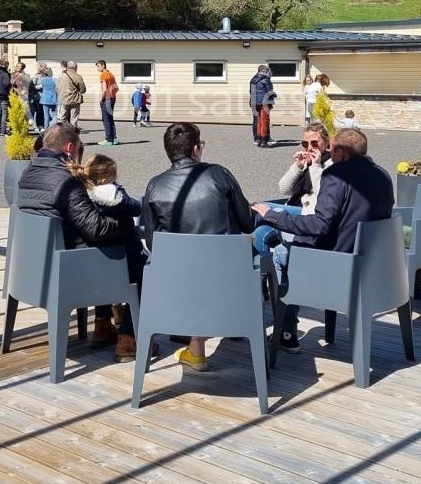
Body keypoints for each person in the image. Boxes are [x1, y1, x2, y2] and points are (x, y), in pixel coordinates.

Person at [253, 128, 394, 353]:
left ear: (341, 153)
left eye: (332, 149)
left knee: (280, 253)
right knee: (273, 235)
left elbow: (319, 225)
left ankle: (284, 330)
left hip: (337, 270)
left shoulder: (336, 176)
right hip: (372, 268)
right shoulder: (383, 176)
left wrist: (273, 216)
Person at [142, 122, 255, 371]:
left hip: (180, 287)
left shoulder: (154, 185)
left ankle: (196, 350)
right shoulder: (219, 174)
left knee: (190, 267)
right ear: (196, 149)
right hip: (229, 282)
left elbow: (152, 243)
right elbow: (248, 223)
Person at [17, 123, 136, 351]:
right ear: (70, 148)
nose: (81, 154)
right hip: (67, 269)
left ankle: (102, 325)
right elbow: (96, 229)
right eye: (80, 148)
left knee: (110, 244)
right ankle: (128, 338)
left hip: (31, 268)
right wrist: (127, 223)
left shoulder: (28, 172)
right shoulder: (65, 181)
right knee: (136, 257)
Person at [70, 154, 146, 361]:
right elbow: (136, 207)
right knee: (143, 276)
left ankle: (102, 325)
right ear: (107, 178)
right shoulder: (115, 194)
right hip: (125, 257)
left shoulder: (83, 194)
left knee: (107, 271)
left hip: (96, 263)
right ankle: (127, 339)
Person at [252, 124, 332, 258]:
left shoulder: (331, 164)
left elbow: (323, 194)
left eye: (314, 143)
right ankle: (266, 274)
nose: (310, 148)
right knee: (259, 233)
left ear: (326, 141)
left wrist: (316, 166)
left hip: (309, 215)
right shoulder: (307, 162)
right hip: (293, 208)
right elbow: (284, 188)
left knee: (260, 208)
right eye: (305, 144)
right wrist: (298, 166)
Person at [95, 60, 120, 146]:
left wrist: (101, 99)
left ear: (102, 65)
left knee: (106, 119)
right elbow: (116, 88)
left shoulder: (103, 75)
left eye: (98, 66)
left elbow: (104, 89)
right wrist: (112, 94)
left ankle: (108, 139)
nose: (97, 68)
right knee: (110, 118)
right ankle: (114, 138)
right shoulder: (111, 75)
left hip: (106, 99)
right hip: (113, 98)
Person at [249, 65, 275, 147]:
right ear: (264, 71)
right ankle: (264, 140)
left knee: (258, 121)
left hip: (254, 102)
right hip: (264, 103)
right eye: (267, 71)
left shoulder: (253, 79)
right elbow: (269, 92)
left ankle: (259, 139)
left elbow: (251, 91)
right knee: (265, 121)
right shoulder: (266, 80)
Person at [57, 61, 87, 129]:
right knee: (73, 119)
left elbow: (57, 88)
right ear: (75, 67)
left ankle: (62, 133)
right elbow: (83, 90)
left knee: (62, 118)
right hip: (75, 100)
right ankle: (73, 134)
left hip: (64, 100)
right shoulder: (78, 77)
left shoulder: (61, 76)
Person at [12, 62, 35, 131]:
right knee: (16, 111)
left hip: (23, 95)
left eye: (20, 66)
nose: (18, 67)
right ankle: (18, 127)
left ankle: (31, 124)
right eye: (17, 66)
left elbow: (29, 81)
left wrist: (21, 76)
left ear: (23, 68)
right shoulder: (14, 75)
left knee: (26, 110)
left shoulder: (25, 75)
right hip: (15, 95)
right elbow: (11, 83)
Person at [37, 64, 59, 129]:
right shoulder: (55, 80)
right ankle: (54, 126)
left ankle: (46, 127)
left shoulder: (43, 79)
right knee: (54, 114)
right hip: (53, 99)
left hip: (45, 99)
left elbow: (39, 87)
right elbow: (57, 88)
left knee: (46, 115)